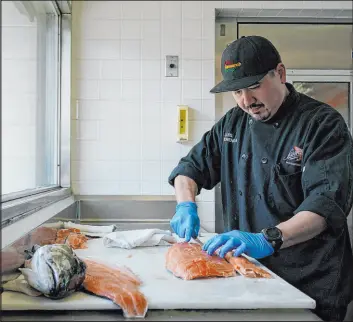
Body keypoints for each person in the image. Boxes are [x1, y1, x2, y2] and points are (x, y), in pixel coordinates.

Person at [168, 35, 353, 322]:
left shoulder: (322, 124)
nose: (246, 101)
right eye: (236, 92)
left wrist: (267, 239)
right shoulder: (233, 123)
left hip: (310, 282)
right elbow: (188, 169)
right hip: (247, 276)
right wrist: (185, 204)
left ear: (280, 74)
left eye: (254, 87)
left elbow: (325, 206)